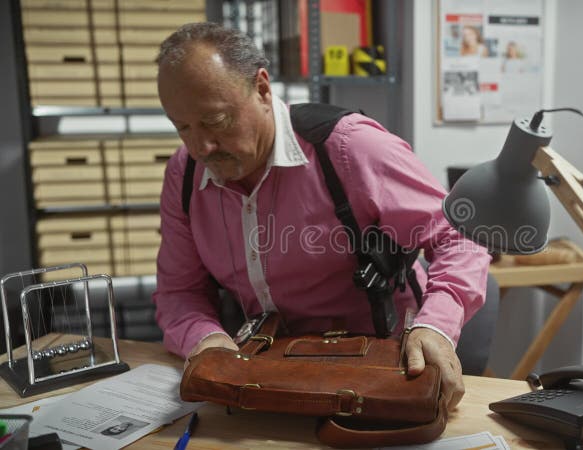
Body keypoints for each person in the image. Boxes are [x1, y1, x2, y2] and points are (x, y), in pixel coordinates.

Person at [152, 22, 491, 411]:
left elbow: (460, 237)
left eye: (216, 121)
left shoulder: (350, 147)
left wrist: (437, 325)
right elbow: (180, 292)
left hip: (383, 368)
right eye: (182, 127)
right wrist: (205, 340)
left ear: (262, 89)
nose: (201, 146)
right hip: (272, 375)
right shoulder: (185, 173)